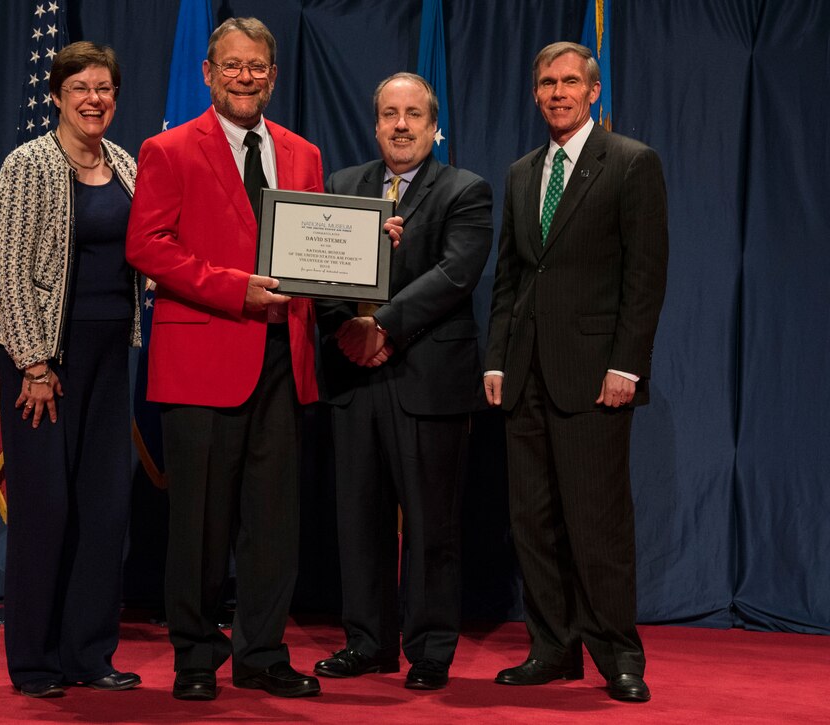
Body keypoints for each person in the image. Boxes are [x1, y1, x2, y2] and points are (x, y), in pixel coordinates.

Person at [126, 17, 401, 702]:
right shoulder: (167, 148)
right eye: (232, 65)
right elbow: (148, 245)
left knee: (275, 520)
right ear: (208, 73)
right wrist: (234, 290)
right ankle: (195, 656)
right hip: (202, 361)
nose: (245, 77)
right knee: (199, 524)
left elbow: (315, 249)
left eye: (258, 67)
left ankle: (262, 652)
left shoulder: (302, 153)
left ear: (274, 77)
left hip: (285, 362)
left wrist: (372, 251)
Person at [484, 42, 668, 703]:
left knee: (597, 521)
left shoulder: (630, 163)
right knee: (533, 521)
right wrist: (497, 356)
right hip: (525, 374)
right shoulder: (521, 172)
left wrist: (627, 364)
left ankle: (618, 653)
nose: (558, 92)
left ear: (593, 91)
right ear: (535, 94)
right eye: (546, 83)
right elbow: (510, 275)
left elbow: (644, 278)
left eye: (570, 82)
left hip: (594, 375)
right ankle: (552, 647)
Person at [312, 73, 493, 691]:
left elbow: (454, 275)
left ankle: (430, 648)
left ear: (434, 125)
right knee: (357, 519)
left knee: (430, 523)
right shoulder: (341, 186)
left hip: (428, 379)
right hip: (352, 377)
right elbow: (317, 270)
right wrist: (346, 328)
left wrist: (381, 328)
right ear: (375, 123)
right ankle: (367, 642)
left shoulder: (465, 190)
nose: (401, 124)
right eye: (389, 112)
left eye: (414, 113)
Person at [0, 41, 142, 699]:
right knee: (46, 507)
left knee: (104, 507)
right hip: (44, 357)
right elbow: (11, 270)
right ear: (56, 95)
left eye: (103, 87)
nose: (93, 99)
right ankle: (35, 660)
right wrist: (34, 364)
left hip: (112, 354)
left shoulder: (129, 165)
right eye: (79, 87)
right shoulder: (29, 165)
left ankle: (89, 652)